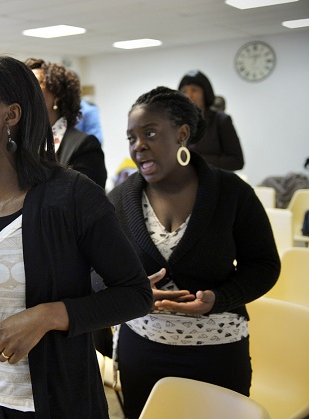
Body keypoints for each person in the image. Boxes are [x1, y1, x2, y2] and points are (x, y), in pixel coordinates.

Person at [0, 54, 152, 418]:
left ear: (10, 115)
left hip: (59, 403)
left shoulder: (71, 196)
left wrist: (49, 315)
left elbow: (136, 295)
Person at [108, 86, 280, 418]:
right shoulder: (118, 200)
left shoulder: (231, 192)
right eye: (131, 138)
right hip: (142, 349)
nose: (138, 145)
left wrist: (219, 297)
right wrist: (134, 292)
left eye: (151, 133)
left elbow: (264, 265)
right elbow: (95, 272)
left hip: (218, 349)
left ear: (182, 134)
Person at [25, 58, 107, 189]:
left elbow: (89, 201)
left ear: (56, 95)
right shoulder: (18, 142)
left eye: (35, 84)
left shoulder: (84, 145)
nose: (26, 92)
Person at [178, 70, 244, 171]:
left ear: (206, 93)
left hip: (214, 181)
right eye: (184, 91)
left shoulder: (221, 120)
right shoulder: (177, 122)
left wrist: (194, 160)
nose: (189, 96)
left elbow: (237, 161)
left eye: (194, 90)